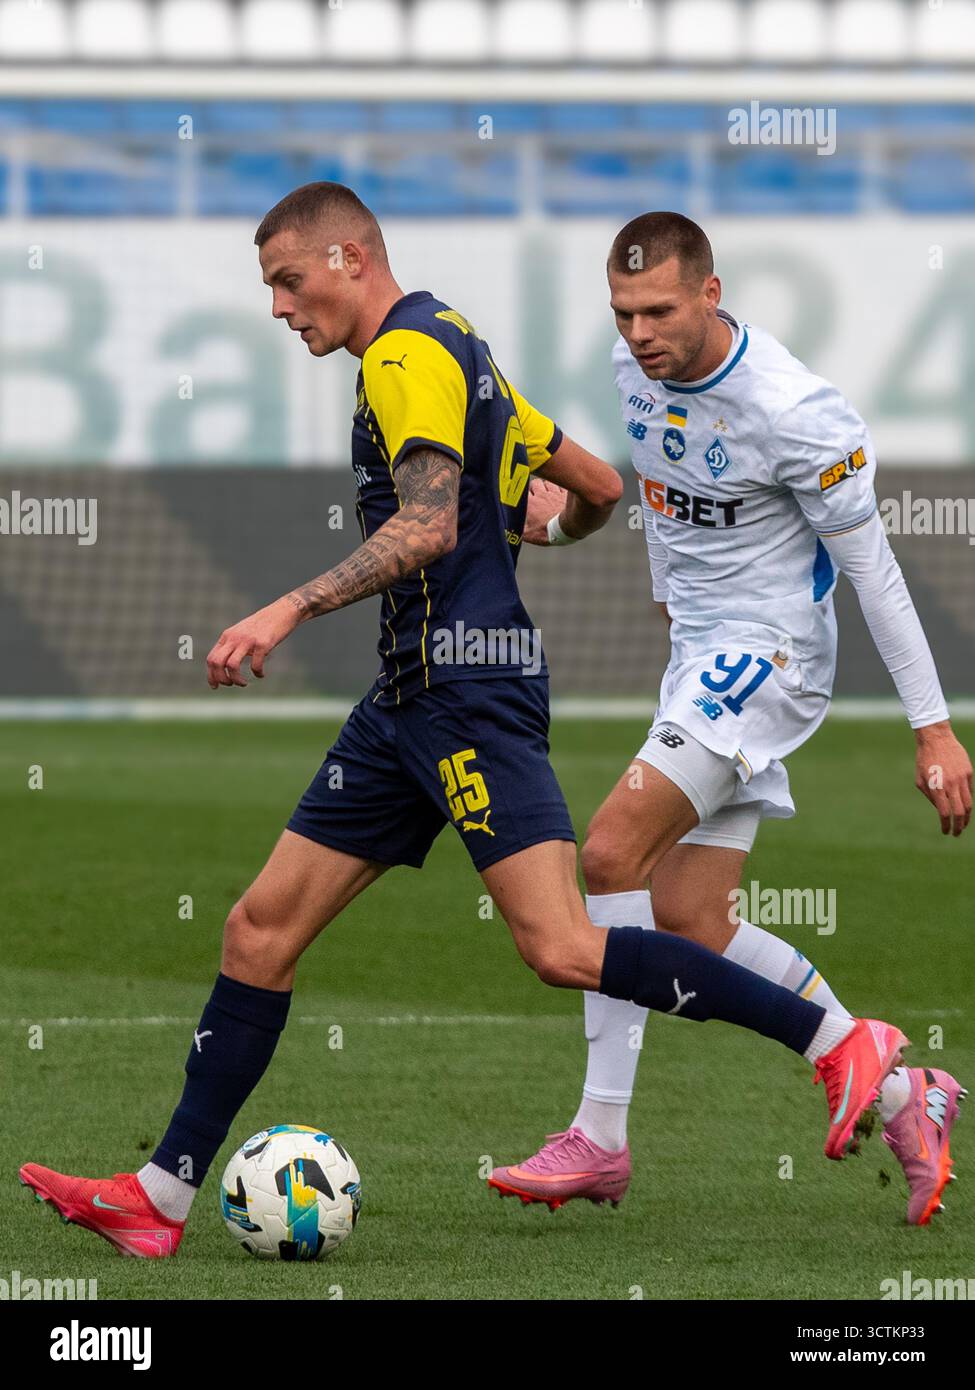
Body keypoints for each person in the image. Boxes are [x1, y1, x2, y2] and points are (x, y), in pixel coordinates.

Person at [21, 187, 907, 1257]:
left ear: (348, 259)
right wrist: (540, 514)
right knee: (259, 929)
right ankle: (160, 1198)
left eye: (288, 281)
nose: (278, 308)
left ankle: (835, 1042)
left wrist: (288, 606)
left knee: (564, 945)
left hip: (467, 695)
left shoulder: (402, 359)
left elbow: (430, 526)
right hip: (404, 700)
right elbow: (591, 483)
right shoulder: (458, 340)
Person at [489, 212, 970, 1227]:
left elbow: (873, 572)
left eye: (660, 308)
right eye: (624, 313)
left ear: (712, 292)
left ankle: (600, 1136)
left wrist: (932, 726)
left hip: (768, 659)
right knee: (691, 922)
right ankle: (900, 1091)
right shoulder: (637, 375)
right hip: (697, 663)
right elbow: (661, 505)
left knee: (610, 853)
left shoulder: (796, 409)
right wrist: (573, 538)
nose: (640, 331)